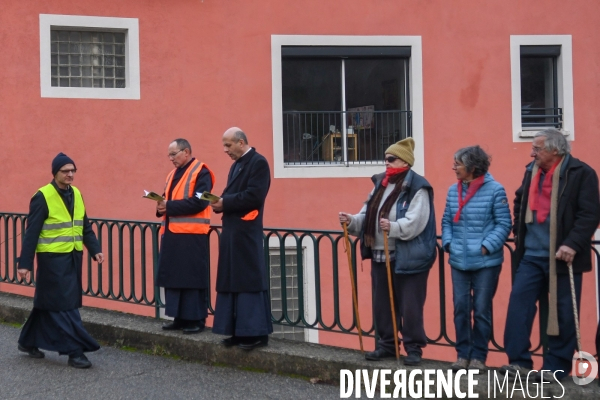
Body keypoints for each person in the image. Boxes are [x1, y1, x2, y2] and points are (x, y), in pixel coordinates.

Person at [501, 128, 600, 381]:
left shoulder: (581, 173)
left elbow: (589, 215)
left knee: (564, 313)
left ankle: (554, 368)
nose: (532, 152)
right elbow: (519, 201)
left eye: (537, 148)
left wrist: (572, 244)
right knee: (518, 307)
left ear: (555, 150)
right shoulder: (530, 171)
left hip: (563, 257)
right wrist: (518, 231)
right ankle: (519, 362)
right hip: (531, 255)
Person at [339, 138, 436, 366]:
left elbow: (416, 222)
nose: (386, 163)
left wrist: (393, 227)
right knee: (382, 303)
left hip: (409, 256)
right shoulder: (381, 183)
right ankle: (387, 345)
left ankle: (413, 349)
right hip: (380, 254)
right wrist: (351, 221)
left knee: (410, 306)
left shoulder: (417, 187)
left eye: (391, 159)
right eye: (385, 158)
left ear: (405, 161)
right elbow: (367, 213)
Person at [17, 153, 104, 369]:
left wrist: (95, 250)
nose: (70, 174)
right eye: (65, 171)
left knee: (48, 304)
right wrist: (25, 264)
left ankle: (28, 341)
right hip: (52, 260)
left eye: (73, 170)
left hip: (73, 257)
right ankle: (75, 352)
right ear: (55, 173)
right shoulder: (42, 196)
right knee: (65, 306)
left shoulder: (76, 194)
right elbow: (32, 233)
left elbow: (84, 226)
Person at [441, 146, 511, 371]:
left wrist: (486, 247)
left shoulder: (495, 190)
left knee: (481, 309)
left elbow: (504, 224)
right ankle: (463, 355)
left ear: (472, 166)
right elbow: (446, 221)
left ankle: (479, 357)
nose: (454, 167)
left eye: (458, 164)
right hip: (459, 260)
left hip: (485, 262)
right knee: (460, 307)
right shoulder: (453, 190)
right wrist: (448, 243)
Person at [210, 127, 272, 350]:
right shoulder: (236, 165)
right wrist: (220, 202)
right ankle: (237, 331)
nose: (225, 149)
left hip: (246, 232)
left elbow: (254, 196)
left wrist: (225, 202)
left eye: (228, 145)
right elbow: (236, 195)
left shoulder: (258, 163)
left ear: (242, 142)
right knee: (232, 279)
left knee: (248, 281)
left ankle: (255, 333)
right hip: (233, 231)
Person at [155, 139, 215, 334]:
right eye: (169, 155)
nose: (170, 159)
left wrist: (169, 206)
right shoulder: (172, 174)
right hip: (173, 234)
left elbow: (200, 202)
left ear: (186, 152)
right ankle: (178, 317)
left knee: (191, 279)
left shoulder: (201, 171)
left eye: (173, 154)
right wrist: (160, 206)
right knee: (174, 277)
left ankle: (196, 320)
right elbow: (167, 199)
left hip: (192, 235)